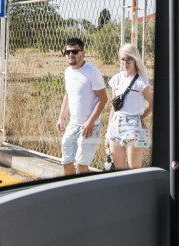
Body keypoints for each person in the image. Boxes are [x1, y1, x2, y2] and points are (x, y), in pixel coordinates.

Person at [56, 38, 107, 175]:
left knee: (81, 165)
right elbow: (68, 95)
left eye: (74, 51)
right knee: (66, 162)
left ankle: (85, 193)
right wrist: (61, 118)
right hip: (73, 124)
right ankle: (70, 192)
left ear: (83, 53)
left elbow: (103, 99)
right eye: (67, 52)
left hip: (90, 126)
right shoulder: (67, 72)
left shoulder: (92, 72)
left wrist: (90, 122)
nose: (70, 54)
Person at [105, 43, 153, 170]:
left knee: (135, 170)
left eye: (129, 59)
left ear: (135, 59)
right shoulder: (116, 79)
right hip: (116, 125)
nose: (125, 63)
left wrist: (141, 117)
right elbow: (113, 108)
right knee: (118, 170)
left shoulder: (142, 81)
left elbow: (153, 103)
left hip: (135, 125)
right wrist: (107, 134)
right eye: (123, 59)